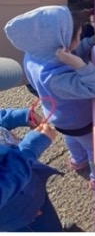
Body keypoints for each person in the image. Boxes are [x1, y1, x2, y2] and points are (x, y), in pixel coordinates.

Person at [5, 5, 95, 188]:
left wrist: (90, 42)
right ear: (62, 43)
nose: (81, 36)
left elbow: (66, 55)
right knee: (93, 148)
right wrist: (81, 65)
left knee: (72, 139)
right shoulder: (57, 78)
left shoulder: (33, 55)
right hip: (78, 120)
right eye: (79, 35)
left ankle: (77, 160)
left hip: (59, 116)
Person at [0, 56, 63, 231]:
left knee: (47, 214)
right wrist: (30, 148)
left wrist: (19, 116)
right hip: (19, 214)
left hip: (30, 190)